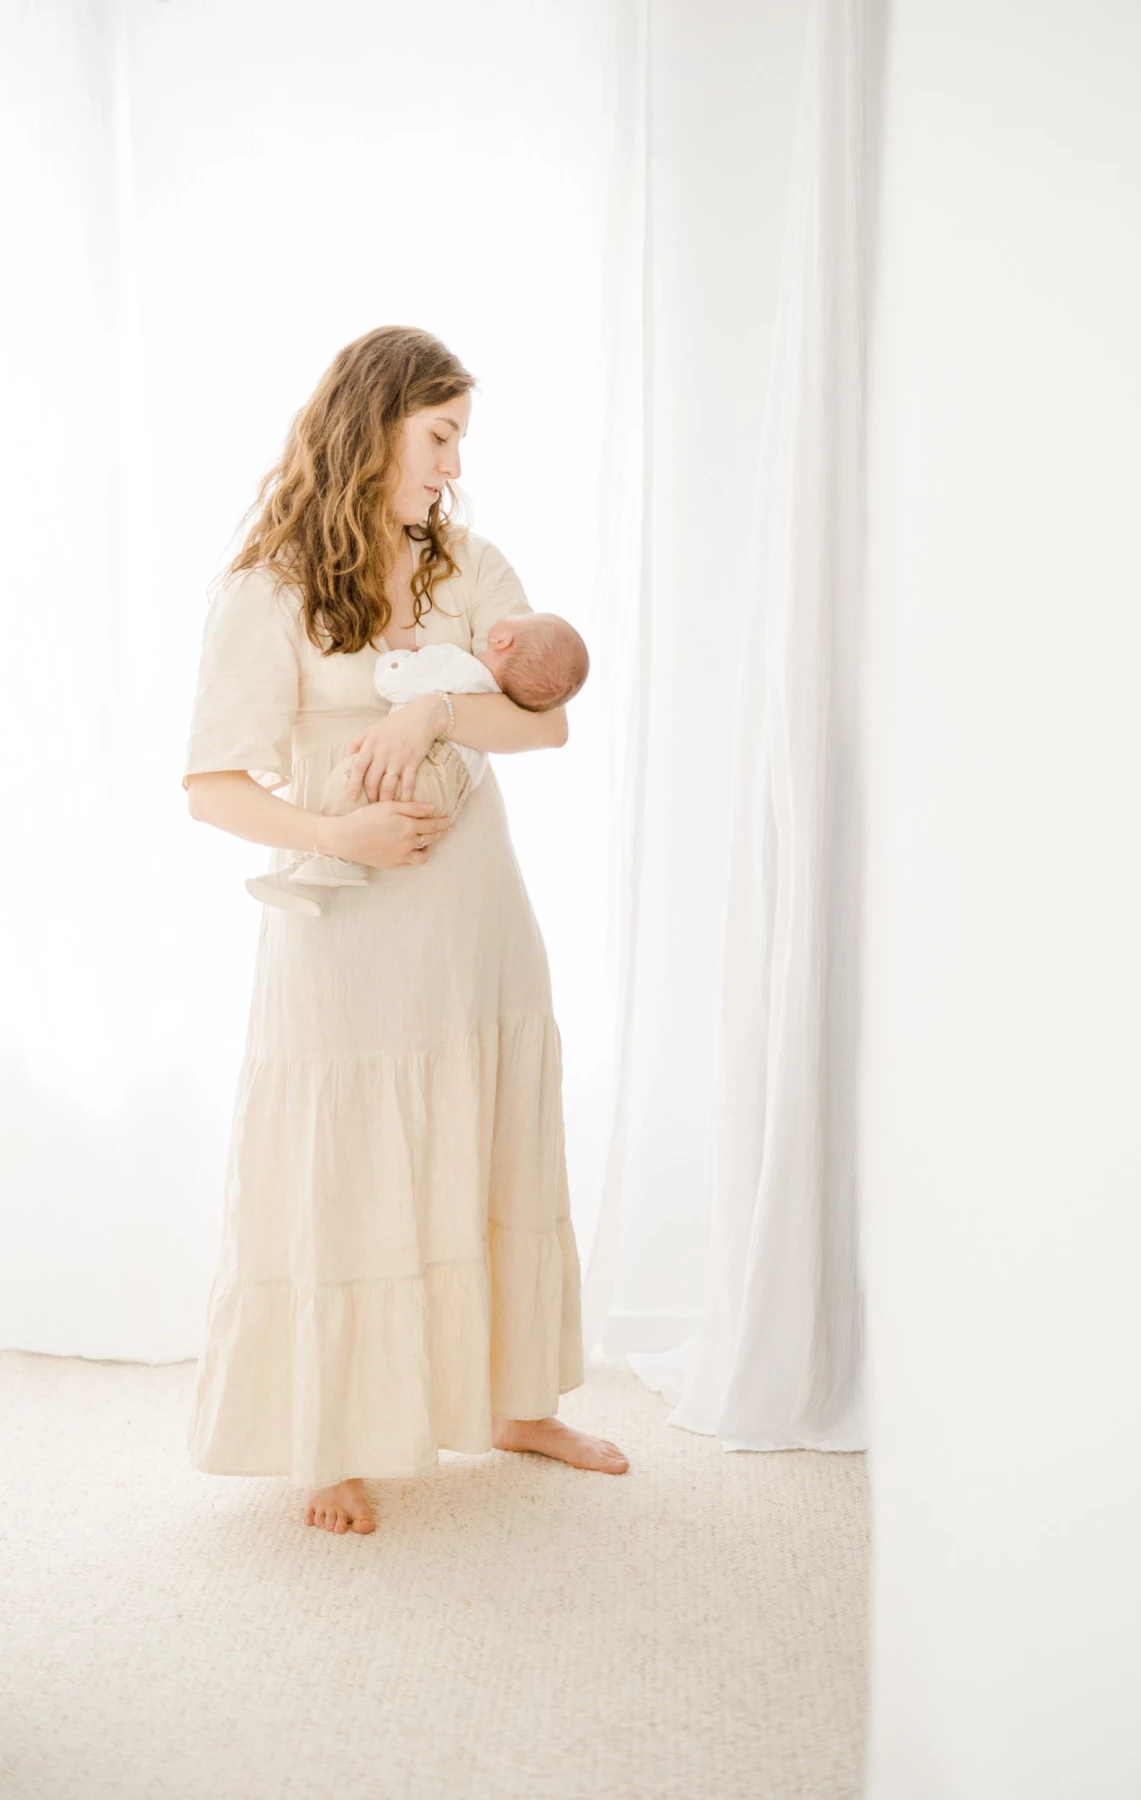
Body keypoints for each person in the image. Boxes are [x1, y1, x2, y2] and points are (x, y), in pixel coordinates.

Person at [181, 324, 629, 1536]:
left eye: (459, 441)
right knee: (348, 1165)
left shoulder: (467, 563)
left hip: (473, 910)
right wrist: (340, 840)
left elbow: (542, 727)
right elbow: (213, 786)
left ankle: (515, 1401)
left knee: (491, 1139)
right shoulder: (266, 587)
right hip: (345, 920)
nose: (451, 463)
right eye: (440, 437)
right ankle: (332, 1433)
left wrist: (433, 701)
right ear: (375, 422)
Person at [248, 611, 589, 913]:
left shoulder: (459, 666)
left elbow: (389, 681)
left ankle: (327, 866)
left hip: (426, 767)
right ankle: (321, 869)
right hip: (453, 792)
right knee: (389, 818)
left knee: (351, 782)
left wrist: (404, 659)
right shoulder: (498, 702)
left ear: (502, 637)